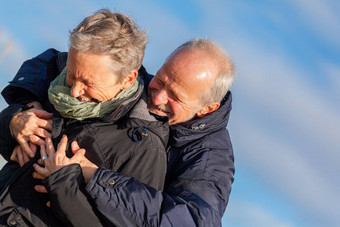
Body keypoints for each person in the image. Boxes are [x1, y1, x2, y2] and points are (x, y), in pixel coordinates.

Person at [2, 39, 235, 226]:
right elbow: (53, 63)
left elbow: (192, 221)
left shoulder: (210, 159)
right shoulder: (135, 85)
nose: (158, 97)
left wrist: (94, 176)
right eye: (161, 79)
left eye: (175, 96)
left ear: (207, 108)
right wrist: (26, 110)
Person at [0, 9, 169, 226]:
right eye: (71, 74)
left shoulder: (144, 150)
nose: (74, 92)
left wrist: (62, 185)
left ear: (128, 79)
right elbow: (13, 156)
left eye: (88, 83)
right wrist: (12, 121)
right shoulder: (53, 84)